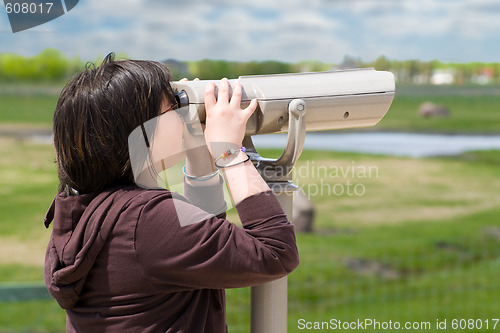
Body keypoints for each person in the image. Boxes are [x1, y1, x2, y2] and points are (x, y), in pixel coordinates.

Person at [43, 53, 299, 333]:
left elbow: (200, 244)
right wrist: (229, 152)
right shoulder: (147, 219)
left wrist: (199, 154)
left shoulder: (91, 212)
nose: (184, 113)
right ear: (139, 129)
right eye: (174, 106)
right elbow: (275, 252)